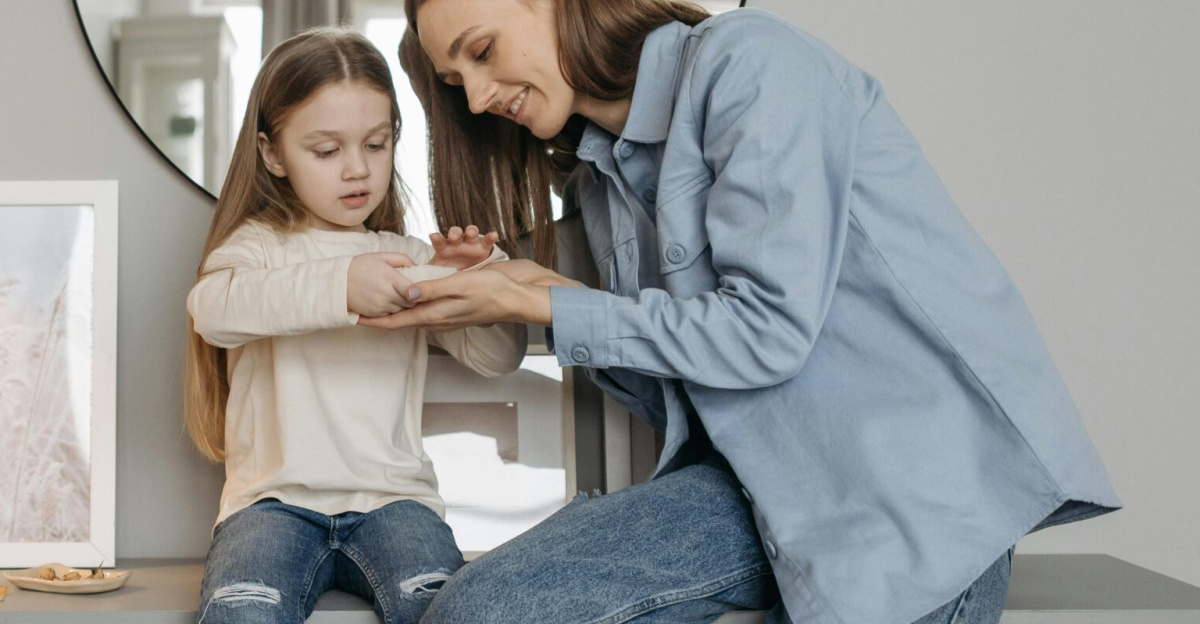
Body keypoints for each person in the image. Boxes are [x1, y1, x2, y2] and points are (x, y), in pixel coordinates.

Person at [371, 2, 1123, 623]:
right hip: (746, 486)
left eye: (481, 51)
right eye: (453, 79)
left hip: (900, 490)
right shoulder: (598, 181)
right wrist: (513, 285)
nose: (474, 98)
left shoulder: (750, 62)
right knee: (485, 612)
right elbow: (664, 385)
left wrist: (545, 298)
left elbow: (768, 332)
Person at [183, 27, 527, 624]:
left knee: (450, 608)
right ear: (272, 153)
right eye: (326, 150)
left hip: (397, 504)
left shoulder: (410, 256)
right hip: (270, 506)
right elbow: (213, 309)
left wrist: (485, 283)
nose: (356, 170)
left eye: (375, 144)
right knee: (242, 611)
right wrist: (341, 285)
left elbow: (496, 357)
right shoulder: (259, 247)